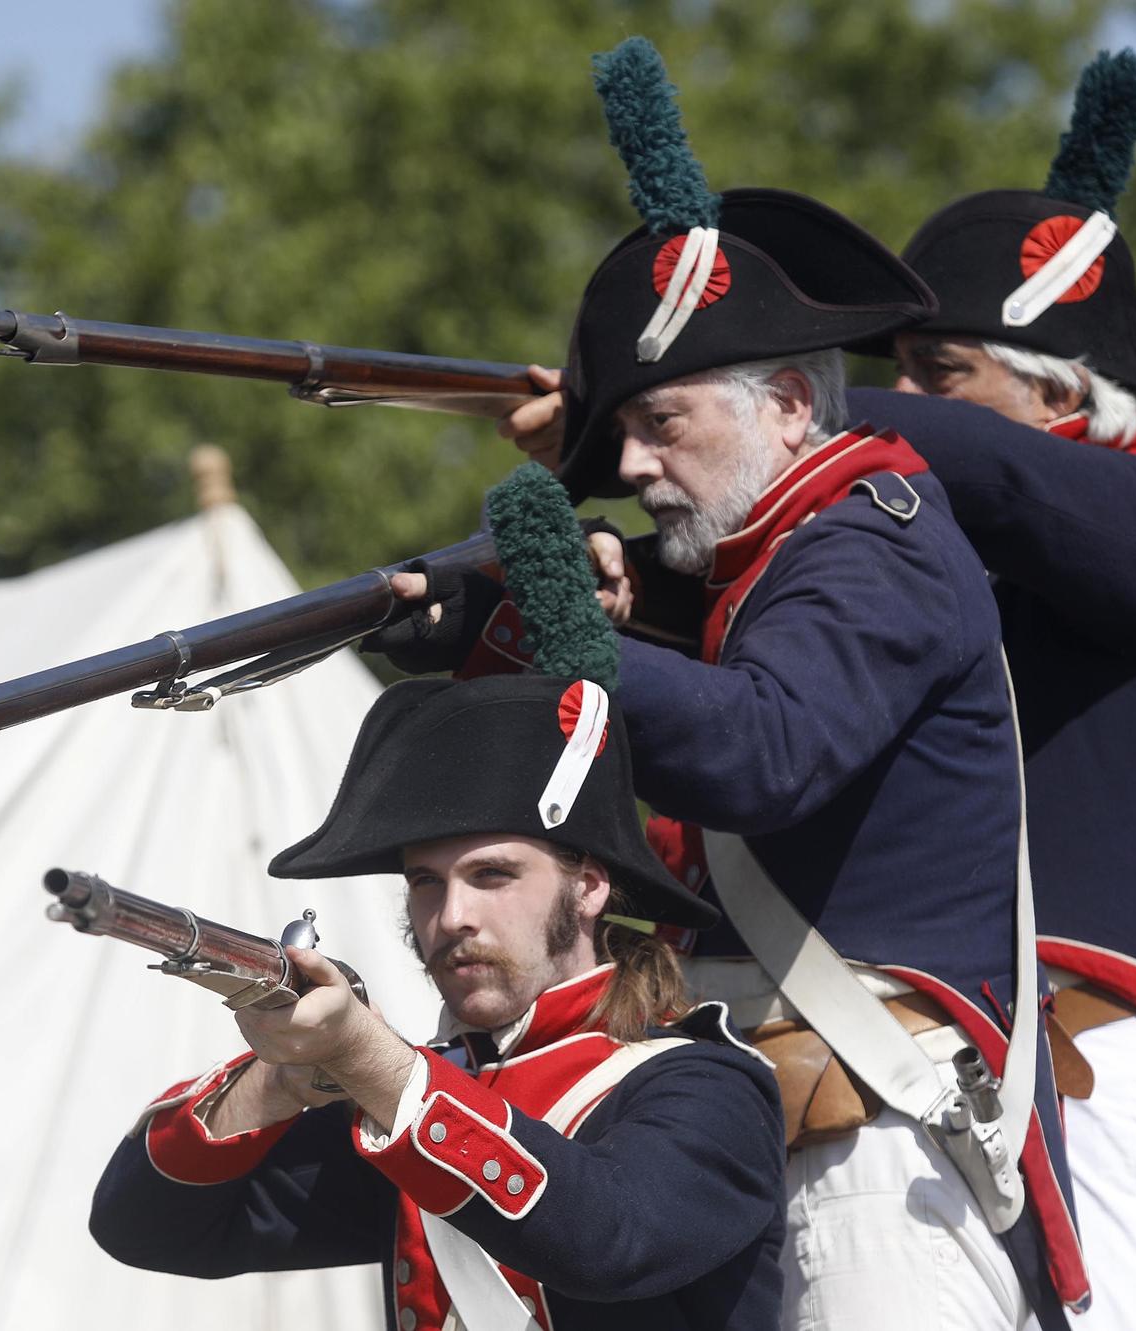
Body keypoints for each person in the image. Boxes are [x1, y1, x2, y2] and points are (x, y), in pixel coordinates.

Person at [382, 37, 1089, 1331]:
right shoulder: (765, 559)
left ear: (787, 406)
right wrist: (468, 621)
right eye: (628, 432)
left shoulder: (872, 536)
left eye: (669, 425)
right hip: (776, 1118)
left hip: (884, 1144)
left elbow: (764, 748)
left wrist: (581, 638)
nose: (638, 465)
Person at [853, 50, 1136, 1331]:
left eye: (938, 370)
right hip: (921, 1062)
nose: (903, 401)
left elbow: (992, 476)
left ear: (1060, 396)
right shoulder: (917, 559)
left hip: (1120, 1062)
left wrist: (763, 396)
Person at [88, 671, 789, 1331]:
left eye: (492, 874)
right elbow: (145, 1226)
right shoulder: (418, 1096)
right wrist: (279, 1079)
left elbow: (607, 1241)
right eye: (426, 882)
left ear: (590, 886)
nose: (451, 914)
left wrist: (371, 1058)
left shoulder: (709, 1085)